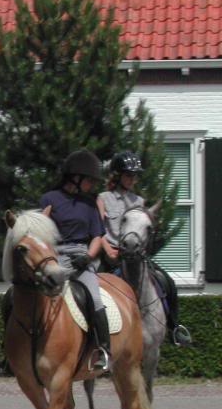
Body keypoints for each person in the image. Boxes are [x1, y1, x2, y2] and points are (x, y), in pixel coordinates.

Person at [97, 150, 192, 346]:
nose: (132, 179)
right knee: (93, 292)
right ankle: (96, 338)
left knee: (167, 282)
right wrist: (107, 250)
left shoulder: (139, 202)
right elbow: (97, 230)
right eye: (128, 175)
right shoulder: (103, 198)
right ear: (117, 175)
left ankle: (175, 328)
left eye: (134, 175)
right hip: (111, 256)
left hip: (136, 256)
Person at [39, 150, 110, 372]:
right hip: (55, 255)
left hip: (81, 254)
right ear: (75, 178)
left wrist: (88, 256)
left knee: (95, 299)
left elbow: (98, 237)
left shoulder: (89, 204)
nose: (91, 184)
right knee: (32, 295)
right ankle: (13, 350)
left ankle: (103, 349)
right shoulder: (51, 198)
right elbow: (40, 227)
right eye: (88, 179)